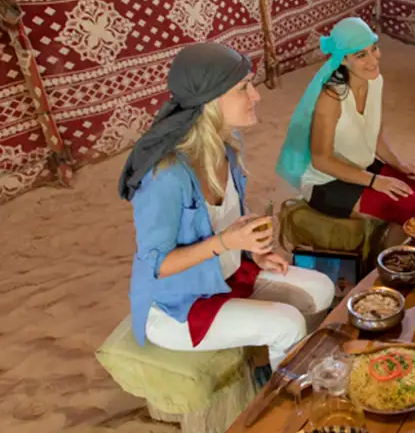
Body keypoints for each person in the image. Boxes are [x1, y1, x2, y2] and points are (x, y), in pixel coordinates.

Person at [120, 43, 336, 373]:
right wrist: (226, 243)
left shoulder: (228, 148)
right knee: (287, 323)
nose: (256, 95)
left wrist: (252, 252)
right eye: (243, 87)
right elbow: (156, 266)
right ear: (209, 102)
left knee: (322, 288)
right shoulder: (167, 176)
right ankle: (284, 392)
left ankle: (274, 364)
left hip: (227, 273)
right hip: (179, 305)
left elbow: (229, 219)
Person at [277, 17, 415, 224]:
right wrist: (375, 181)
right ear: (343, 60)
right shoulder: (331, 98)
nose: (373, 60)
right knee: (414, 207)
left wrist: (399, 165)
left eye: (374, 49)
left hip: (360, 166)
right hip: (326, 181)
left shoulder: (375, 81)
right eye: (361, 55)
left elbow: (374, 136)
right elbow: (321, 160)